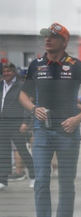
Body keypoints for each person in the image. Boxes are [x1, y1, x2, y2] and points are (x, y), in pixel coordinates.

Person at [19, 22, 81, 217]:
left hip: (68, 132)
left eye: (53, 37)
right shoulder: (36, 64)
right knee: (41, 183)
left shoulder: (77, 66)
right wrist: (32, 108)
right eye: (46, 36)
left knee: (67, 184)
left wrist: (79, 118)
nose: (48, 40)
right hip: (42, 130)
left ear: (64, 42)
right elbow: (23, 95)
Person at [0, 62, 35, 190]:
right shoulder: (0, 85)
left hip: (16, 123)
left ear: (14, 72)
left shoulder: (21, 86)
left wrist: (25, 122)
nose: (6, 74)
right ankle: (3, 180)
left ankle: (34, 177)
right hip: (2, 124)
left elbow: (26, 105)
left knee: (23, 151)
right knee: (3, 152)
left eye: (8, 71)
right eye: (4, 71)